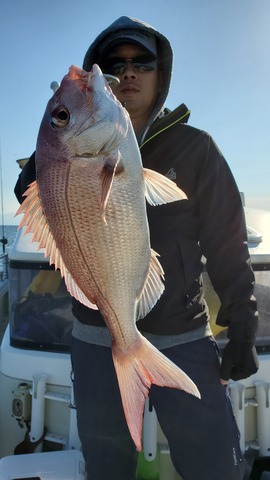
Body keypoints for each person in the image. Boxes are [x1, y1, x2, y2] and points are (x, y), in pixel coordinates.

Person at [15, 16, 259, 480]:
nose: (128, 72)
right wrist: (47, 166)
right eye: (115, 63)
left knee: (214, 467)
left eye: (141, 62)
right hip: (94, 337)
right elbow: (41, 200)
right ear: (102, 73)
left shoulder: (196, 148)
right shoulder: (70, 149)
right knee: (106, 467)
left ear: (160, 74)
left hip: (185, 336)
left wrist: (242, 328)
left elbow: (229, 244)